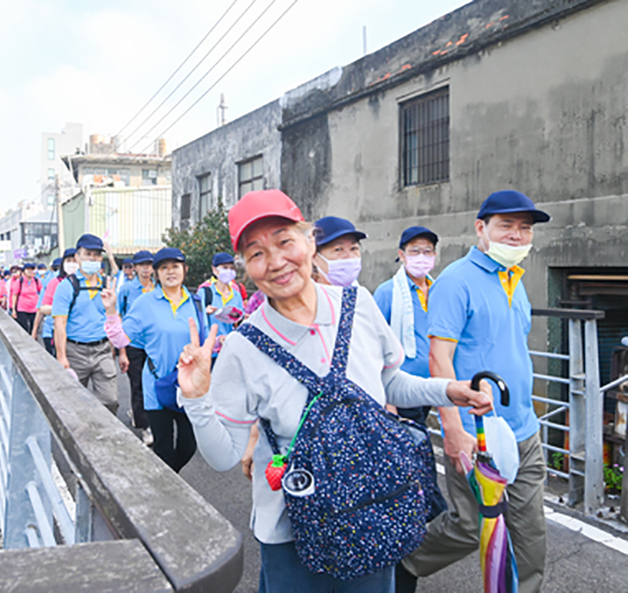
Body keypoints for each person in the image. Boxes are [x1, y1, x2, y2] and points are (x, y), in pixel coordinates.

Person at [175, 189, 492, 593]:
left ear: (310, 242)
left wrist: (448, 390)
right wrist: (197, 398)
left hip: (371, 509)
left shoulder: (358, 305)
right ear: (245, 268)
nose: (275, 262)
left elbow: (389, 382)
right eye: (256, 254)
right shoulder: (242, 347)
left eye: (285, 241)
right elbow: (223, 457)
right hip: (289, 531)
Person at [399, 190, 551, 593]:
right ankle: (402, 564)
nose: (517, 236)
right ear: (481, 228)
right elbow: (439, 358)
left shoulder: (516, 280)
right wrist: (453, 429)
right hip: (477, 432)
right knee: (468, 528)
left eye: (525, 228)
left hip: (523, 429)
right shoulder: (455, 282)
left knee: (531, 534)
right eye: (506, 226)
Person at [101, 247, 208, 472]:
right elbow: (121, 338)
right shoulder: (144, 303)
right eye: (164, 268)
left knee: (189, 446)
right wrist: (111, 311)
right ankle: (167, 495)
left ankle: (164, 481)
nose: (170, 272)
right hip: (156, 385)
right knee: (163, 447)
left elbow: (205, 343)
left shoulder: (195, 302)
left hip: (187, 387)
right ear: (157, 273)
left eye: (175, 266)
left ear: (184, 270)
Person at [373, 226, 439, 424]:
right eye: (415, 251)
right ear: (401, 254)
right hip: (401, 388)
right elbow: (374, 344)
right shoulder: (387, 292)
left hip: (431, 384)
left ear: (434, 255)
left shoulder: (440, 291)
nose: (422, 256)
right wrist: (388, 400)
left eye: (427, 251)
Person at [52, 234, 120, 414]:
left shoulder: (107, 285)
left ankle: (102, 435)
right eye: (88, 254)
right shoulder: (67, 286)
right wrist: (61, 356)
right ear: (77, 257)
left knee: (110, 401)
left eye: (97, 255)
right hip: (75, 352)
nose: (93, 258)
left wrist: (118, 351)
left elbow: (113, 319)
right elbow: (60, 324)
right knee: (72, 403)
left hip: (102, 350)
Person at [117, 250, 156, 446]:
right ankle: (145, 426)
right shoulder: (126, 290)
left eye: (149, 264)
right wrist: (121, 350)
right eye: (142, 265)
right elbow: (119, 318)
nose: (146, 269)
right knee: (138, 384)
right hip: (133, 344)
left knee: (155, 384)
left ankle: (141, 414)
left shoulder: (158, 287)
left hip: (154, 344)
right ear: (135, 267)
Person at [199, 252, 245, 356]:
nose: (229, 271)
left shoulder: (236, 295)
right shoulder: (205, 293)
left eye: (231, 268)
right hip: (210, 353)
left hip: (231, 352)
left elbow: (239, 323)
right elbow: (198, 321)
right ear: (214, 270)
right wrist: (205, 313)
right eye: (224, 267)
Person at [32, 251, 73, 357]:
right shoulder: (53, 282)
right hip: (52, 331)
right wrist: (35, 330)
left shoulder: (84, 283)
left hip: (75, 334)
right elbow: (41, 309)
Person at [312, 216, 366, 287]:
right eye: (338, 249)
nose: (349, 257)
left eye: (353, 248)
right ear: (315, 257)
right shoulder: (304, 295)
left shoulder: (362, 295)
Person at [11, 262, 42, 334]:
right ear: (24, 271)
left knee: (33, 329)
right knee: (23, 329)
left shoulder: (36, 281)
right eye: (28, 269)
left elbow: (42, 292)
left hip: (34, 308)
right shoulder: (20, 281)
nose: (30, 271)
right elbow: (15, 295)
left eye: (32, 269)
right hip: (22, 308)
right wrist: (13, 309)